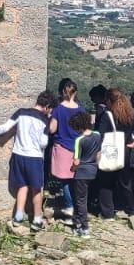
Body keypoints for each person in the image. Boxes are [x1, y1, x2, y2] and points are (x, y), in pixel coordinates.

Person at [0, 90, 56, 228]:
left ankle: (18, 217)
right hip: (34, 158)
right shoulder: (45, 120)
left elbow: (4, 128)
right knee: (36, 189)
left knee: (22, 186)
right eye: (50, 109)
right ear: (47, 106)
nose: (49, 112)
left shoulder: (21, 112)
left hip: (18, 155)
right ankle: (37, 220)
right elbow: (43, 143)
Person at [100, 89, 134, 217]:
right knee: (125, 182)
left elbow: (101, 135)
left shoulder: (107, 115)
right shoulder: (129, 115)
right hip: (125, 152)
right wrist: (133, 143)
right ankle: (131, 208)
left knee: (106, 182)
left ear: (108, 100)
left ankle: (108, 213)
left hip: (110, 151)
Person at [47, 79, 82, 214]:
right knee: (75, 179)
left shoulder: (58, 109)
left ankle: (69, 206)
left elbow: (52, 129)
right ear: (75, 93)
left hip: (62, 147)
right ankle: (78, 206)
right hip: (78, 148)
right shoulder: (81, 109)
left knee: (65, 180)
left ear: (62, 92)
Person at [68, 112, 99, 237]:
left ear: (78, 126)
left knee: (80, 200)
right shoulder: (97, 135)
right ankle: (80, 220)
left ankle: (84, 227)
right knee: (87, 198)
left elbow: (76, 161)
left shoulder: (79, 140)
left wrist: (72, 169)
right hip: (94, 170)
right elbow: (99, 154)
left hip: (81, 172)